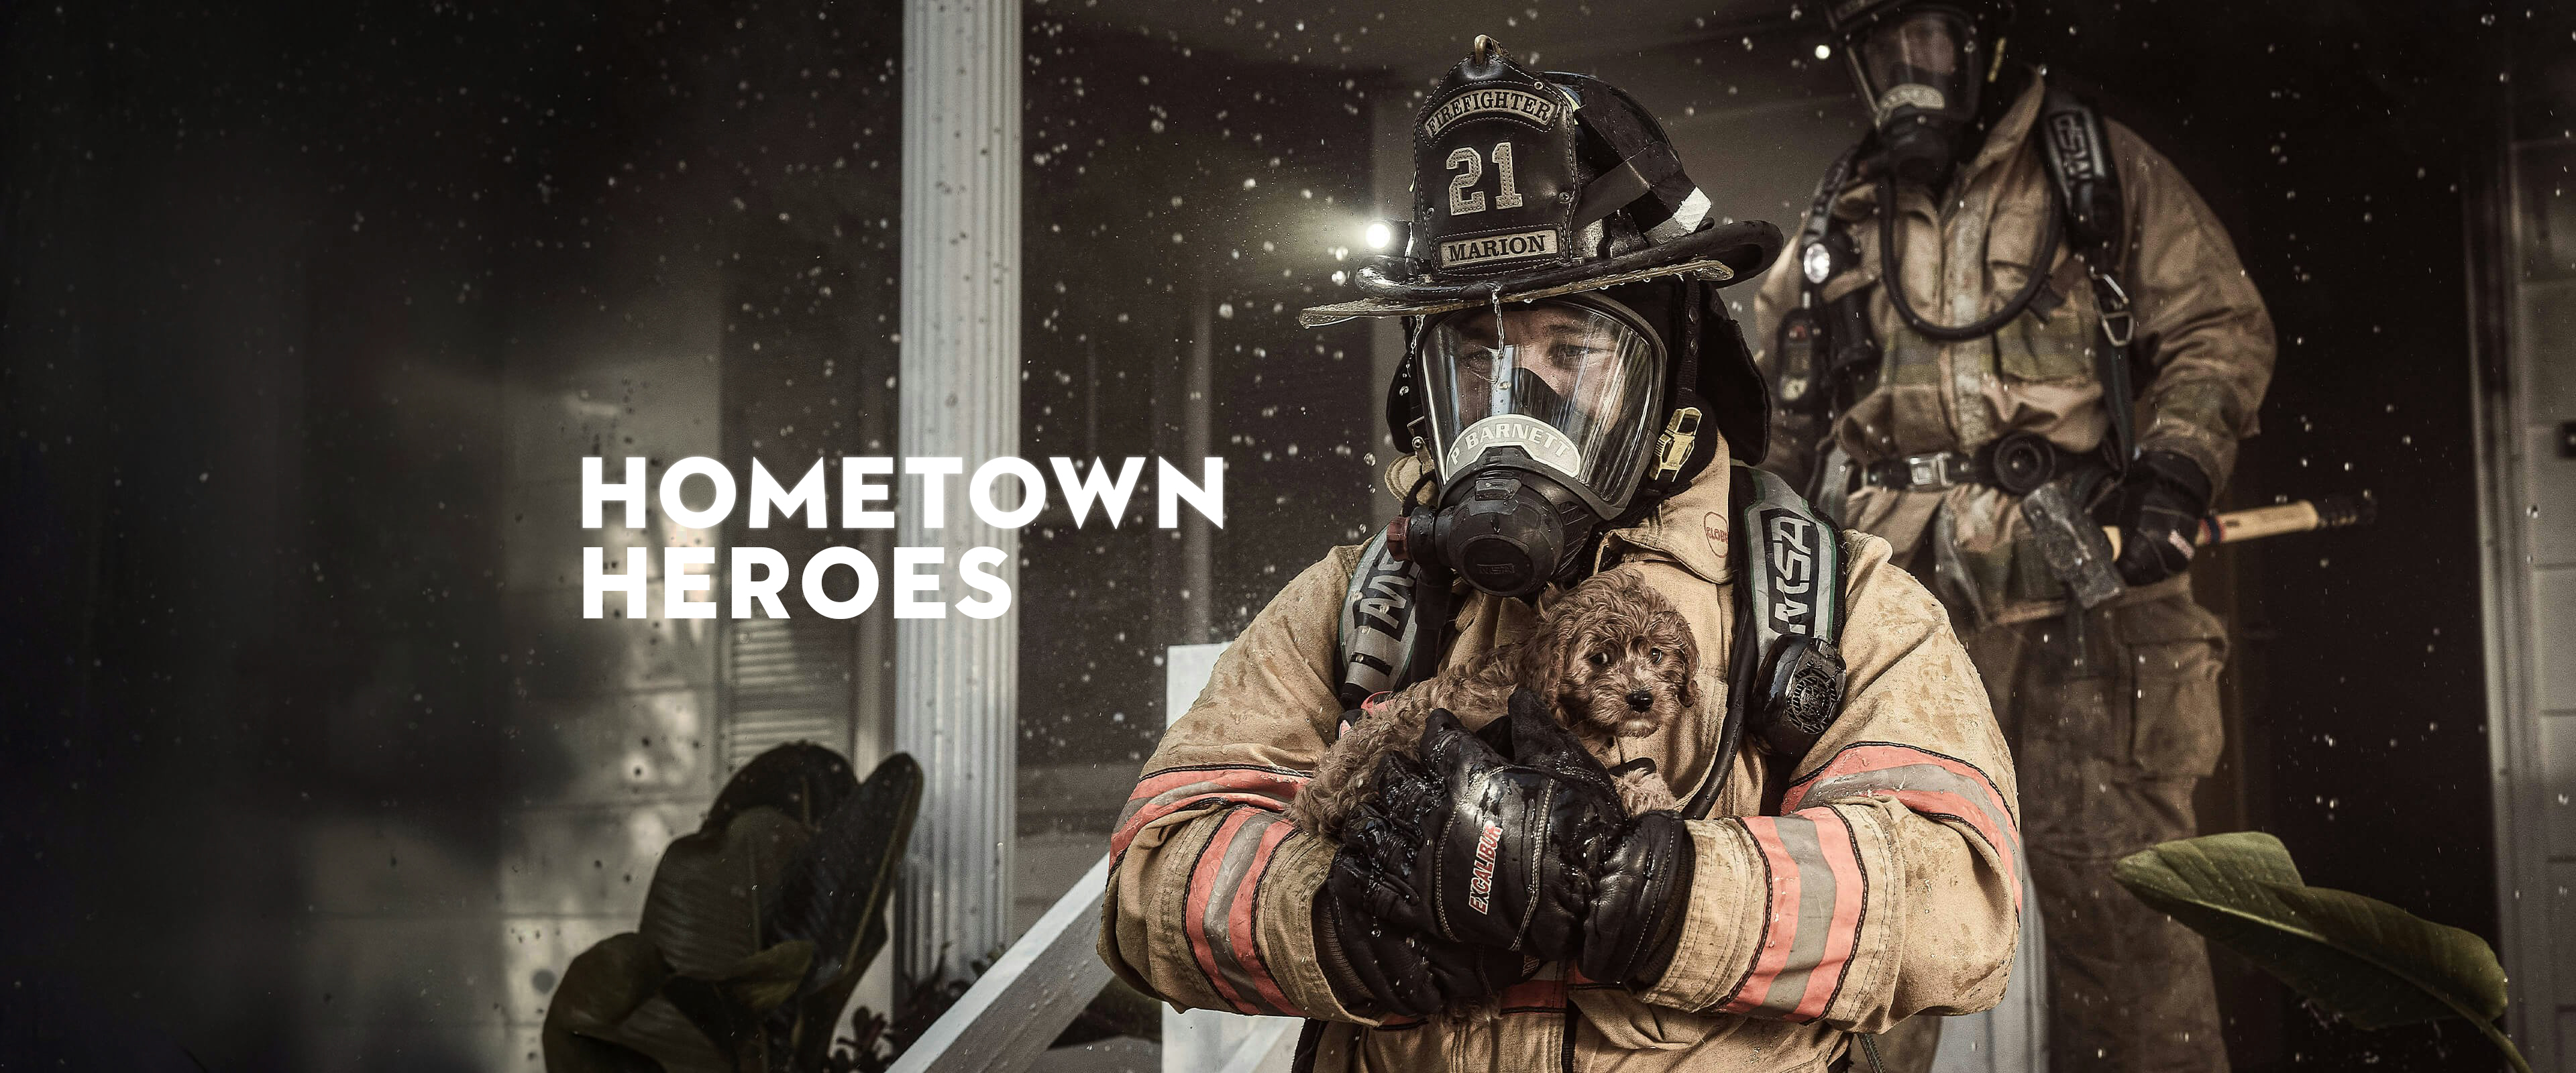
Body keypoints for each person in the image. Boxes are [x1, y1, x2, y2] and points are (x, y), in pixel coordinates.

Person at [1099, 36, 2022, 1072]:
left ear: (1671, 367)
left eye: (1572, 353)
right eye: (1478, 356)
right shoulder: (1364, 601)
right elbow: (1153, 878)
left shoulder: (1835, 604)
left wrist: (1665, 895)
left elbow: (1961, 906)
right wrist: (1334, 921)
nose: (1515, 403)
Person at [1751, 2, 2276, 1070]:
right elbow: (1778, 416)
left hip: (2088, 599)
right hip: (1894, 617)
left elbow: (2219, 326)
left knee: (2128, 916)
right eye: (1883, 50)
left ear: (1983, 42)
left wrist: (2174, 471)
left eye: (1928, 41)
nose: (1907, 71)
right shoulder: (1838, 219)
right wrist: (1754, 551)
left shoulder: (2095, 174)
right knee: (1879, 917)